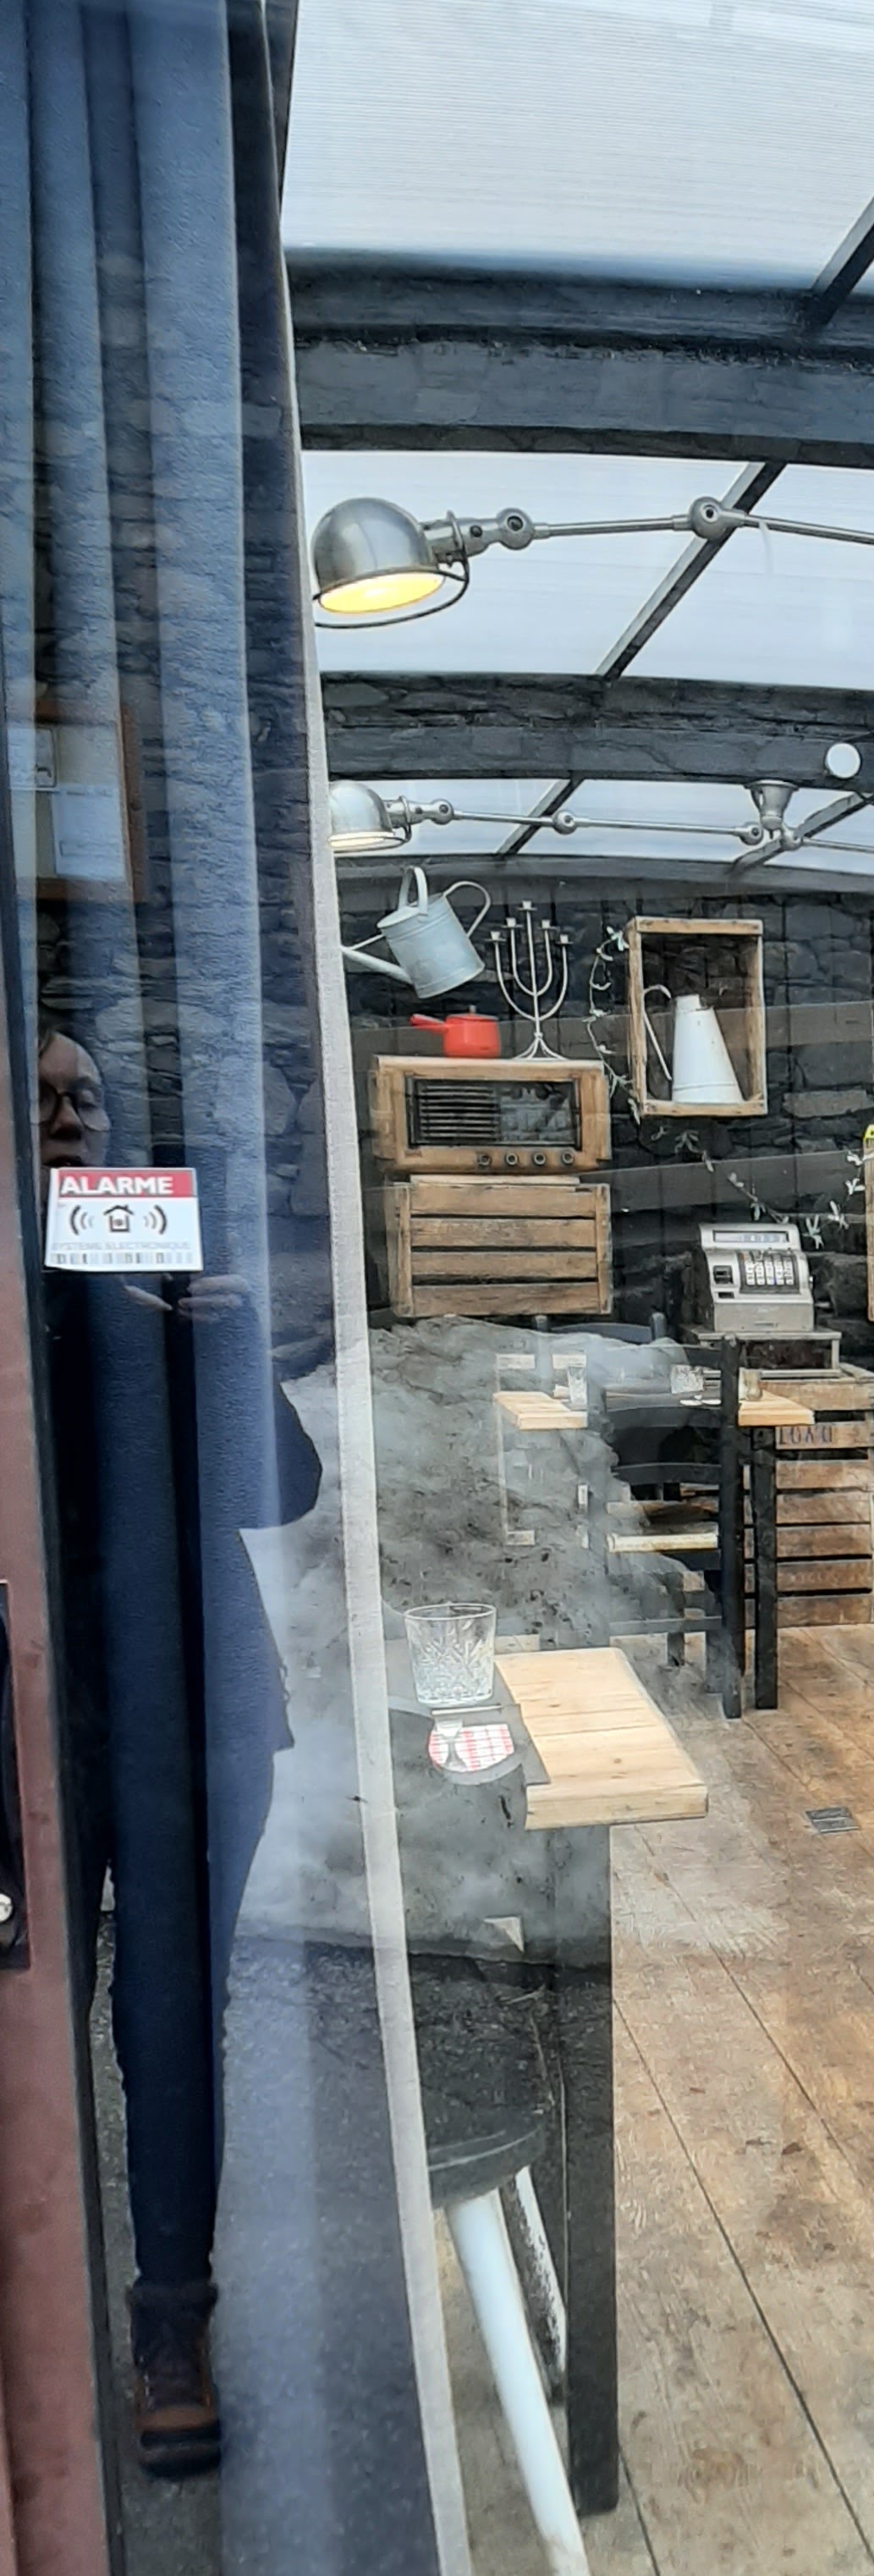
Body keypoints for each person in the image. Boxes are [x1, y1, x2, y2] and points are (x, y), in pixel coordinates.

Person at [37, 1024, 320, 2473]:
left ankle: (169, 2326)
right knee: (35, 2026)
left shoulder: (163, 1292)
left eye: (85, 1099)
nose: (68, 1121)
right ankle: (39, 2321)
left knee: (167, 2018)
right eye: (41, 1102)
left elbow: (285, 1493)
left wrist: (222, 1347)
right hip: (38, 1721)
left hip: (194, 1709)